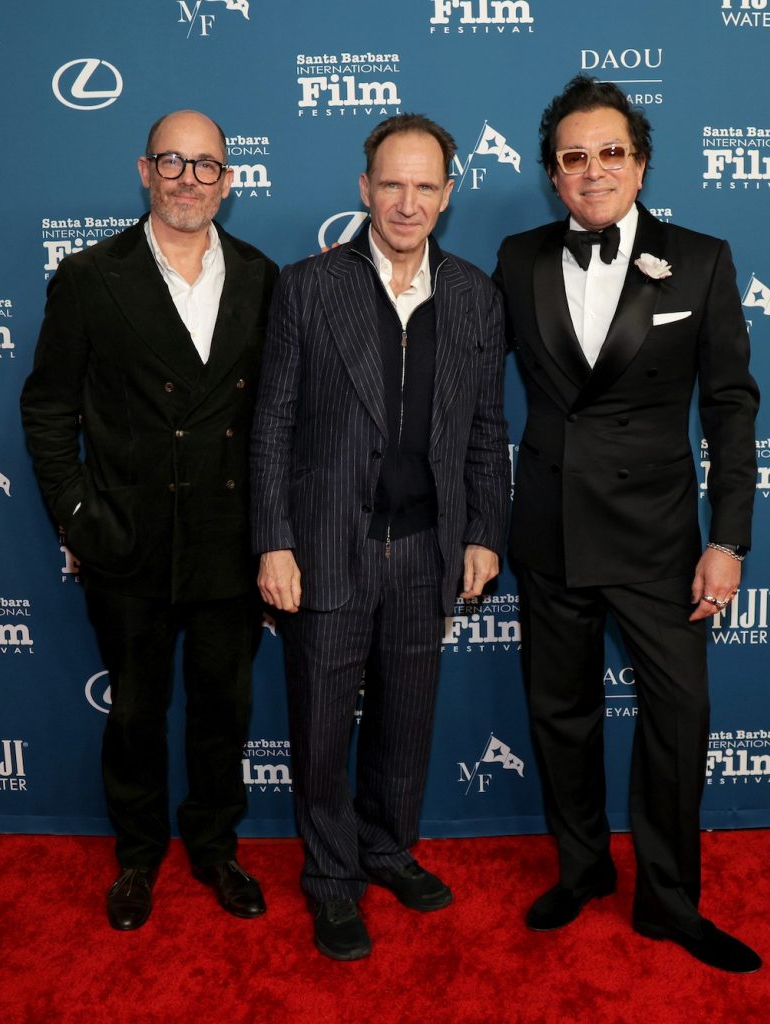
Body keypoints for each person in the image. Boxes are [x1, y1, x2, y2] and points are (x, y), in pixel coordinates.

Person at [493, 76, 763, 973]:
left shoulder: (703, 259)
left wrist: (726, 539)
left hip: (658, 538)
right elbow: (461, 384)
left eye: (611, 152)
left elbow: (730, 407)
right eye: (574, 157)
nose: (593, 170)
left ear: (640, 164)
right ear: (552, 175)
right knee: (559, 713)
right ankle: (580, 870)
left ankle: (670, 900)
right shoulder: (517, 257)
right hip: (550, 527)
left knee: (679, 717)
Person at [250, 113, 509, 961]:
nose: (407, 202)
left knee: (407, 723)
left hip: (427, 547)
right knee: (322, 732)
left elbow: (482, 429)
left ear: (447, 193)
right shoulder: (306, 287)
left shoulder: (475, 293)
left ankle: (387, 848)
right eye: (391, 184)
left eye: (425, 185)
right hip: (326, 546)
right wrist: (274, 540)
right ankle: (331, 881)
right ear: (364, 190)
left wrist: (482, 532)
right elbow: (273, 424)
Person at [20, 110, 278, 931]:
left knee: (222, 713)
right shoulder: (91, 276)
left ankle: (214, 847)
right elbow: (48, 410)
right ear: (144, 170)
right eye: (172, 161)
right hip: (126, 546)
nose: (188, 179)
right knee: (133, 714)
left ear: (228, 181)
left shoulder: (263, 278)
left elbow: (278, 418)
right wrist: (79, 519)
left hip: (230, 547)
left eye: (206, 165)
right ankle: (137, 857)